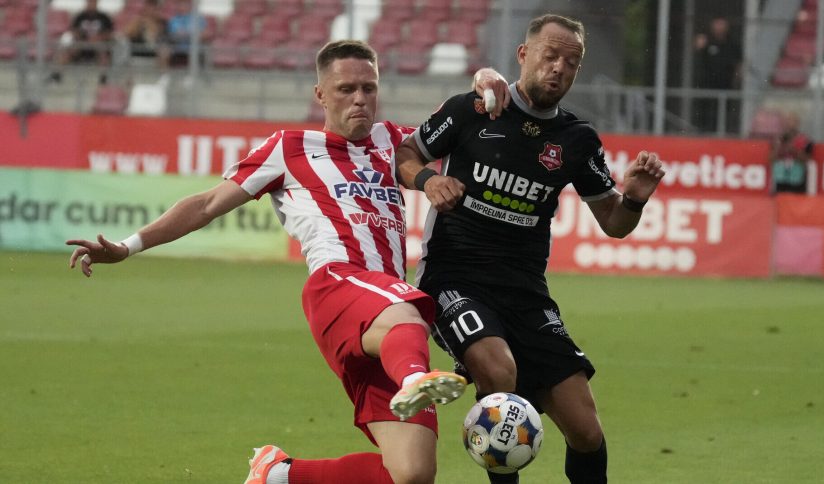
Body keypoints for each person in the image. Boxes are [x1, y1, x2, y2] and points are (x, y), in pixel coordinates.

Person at [67, 40, 508, 484]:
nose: (360, 98)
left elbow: (459, 119)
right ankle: (416, 377)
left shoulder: (394, 142)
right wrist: (127, 246)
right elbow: (205, 204)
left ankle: (279, 474)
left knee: (410, 474)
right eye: (346, 89)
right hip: (339, 286)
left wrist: (485, 78)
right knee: (407, 318)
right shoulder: (289, 147)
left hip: (384, 315)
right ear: (320, 95)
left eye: (369, 88)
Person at [395, 14, 664, 484]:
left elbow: (614, 223)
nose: (559, 68)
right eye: (550, 56)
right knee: (498, 373)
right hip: (454, 278)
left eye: (571, 62)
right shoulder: (471, 110)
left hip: (526, 293)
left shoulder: (577, 140)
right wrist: (429, 179)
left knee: (586, 431)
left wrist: (636, 197)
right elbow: (405, 153)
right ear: (524, 55)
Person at [693, 17, 742, 134]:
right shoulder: (707, 41)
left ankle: (721, 132)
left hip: (725, 83)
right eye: (717, 24)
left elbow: (739, 64)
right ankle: (703, 132)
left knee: (723, 111)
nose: (719, 27)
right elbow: (696, 48)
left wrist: (736, 80)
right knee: (705, 109)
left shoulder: (732, 44)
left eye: (722, 24)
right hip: (707, 83)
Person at [49, 0, 114, 83]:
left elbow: (110, 33)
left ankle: (104, 77)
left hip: (98, 46)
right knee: (68, 51)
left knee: (103, 52)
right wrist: (83, 38)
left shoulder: (104, 18)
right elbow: (73, 32)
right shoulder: (80, 17)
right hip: (82, 45)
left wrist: (98, 38)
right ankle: (57, 74)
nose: (91, 4)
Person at [158, 0, 210, 69]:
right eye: (179, 4)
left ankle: (194, 76)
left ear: (190, 5)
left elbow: (205, 34)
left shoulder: (199, 19)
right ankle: (164, 75)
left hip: (194, 47)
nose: (181, 6)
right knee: (163, 49)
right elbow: (175, 35)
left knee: (197, 50)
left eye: (184, 4)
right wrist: (193, 34)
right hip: (177, 47)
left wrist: (189, 34)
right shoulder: (173, 20)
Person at [770, 111, 812, 194]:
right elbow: (770, 159)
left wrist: (794, 149)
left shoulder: (804, 140)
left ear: (797, 123)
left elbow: (807, 160)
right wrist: (780, 149)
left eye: (793, 122)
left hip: (797, 180)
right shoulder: (778, 140)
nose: (790, 125)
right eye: (788, 121)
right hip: (780, 179)